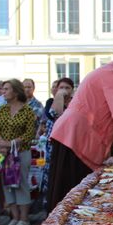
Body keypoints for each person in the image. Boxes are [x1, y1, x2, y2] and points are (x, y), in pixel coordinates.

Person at [46, 43, 113, 209]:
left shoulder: (109, 73)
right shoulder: (112, 75)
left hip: (74, 136)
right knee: (71, 196)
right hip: (74, 137)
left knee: (73, 195)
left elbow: (102, 120)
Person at [0, 79, 37, 225]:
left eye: (6, 89)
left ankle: (24, 218)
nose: (3, 92)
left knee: (21, 184)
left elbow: (29, 134)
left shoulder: (27, 111)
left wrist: (11, 143)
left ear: (16, 91)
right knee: (7, 184)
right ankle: (15, 217)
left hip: (21, 152)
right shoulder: (3, 110)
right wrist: (1, 144)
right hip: (4, 153)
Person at [39, 77, 74, 211]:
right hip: (53, 148)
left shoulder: (75, 104)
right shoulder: (51, 102)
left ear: (72, 90)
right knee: (51, 181)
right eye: (61, 87)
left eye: (67, 88)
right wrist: (59, 96)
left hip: (69, 148)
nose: (64, 90)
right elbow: (56, 114)